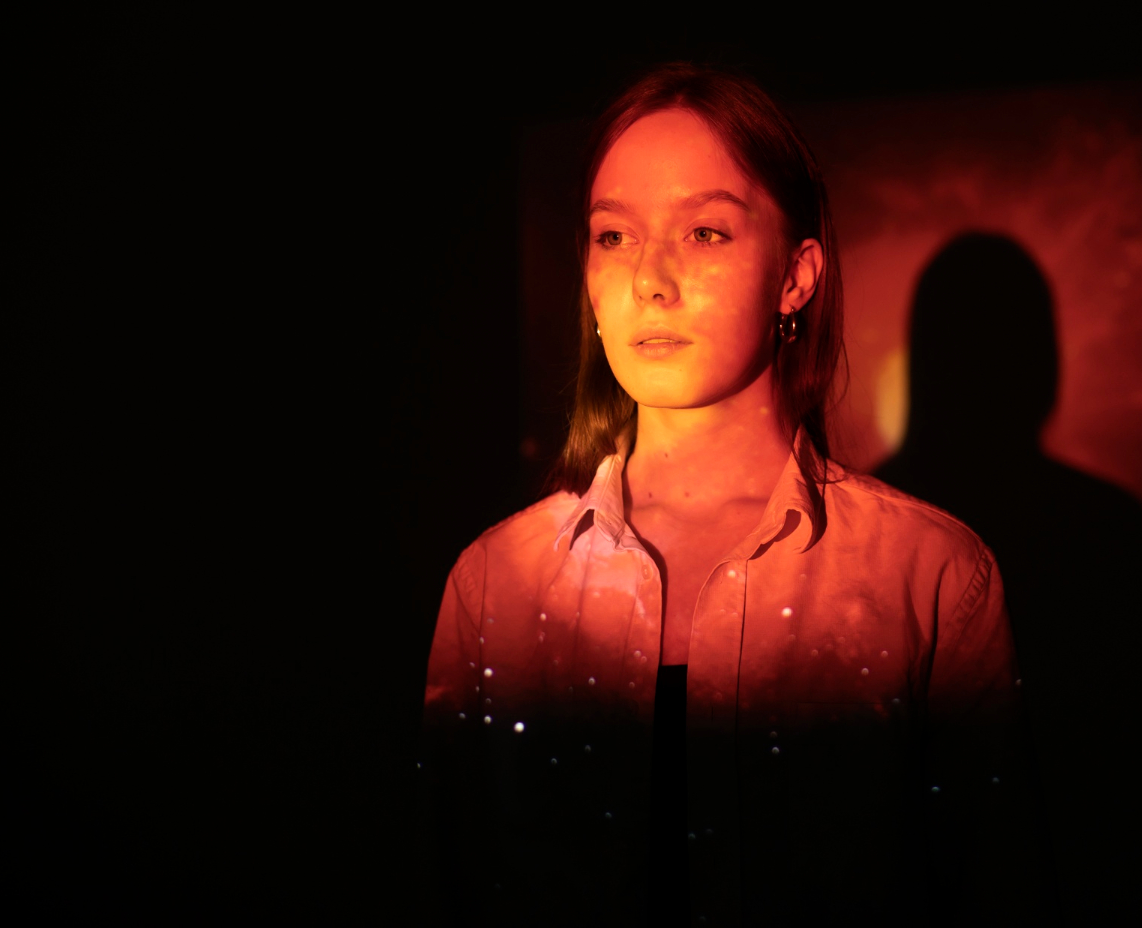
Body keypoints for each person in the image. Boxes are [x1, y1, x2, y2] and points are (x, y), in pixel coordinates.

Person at [422, 64, 1024, 927]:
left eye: (705, 232)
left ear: (796, 275)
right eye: (613, 236)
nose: (650, 280)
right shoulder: (495, 589)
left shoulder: (925, 578)